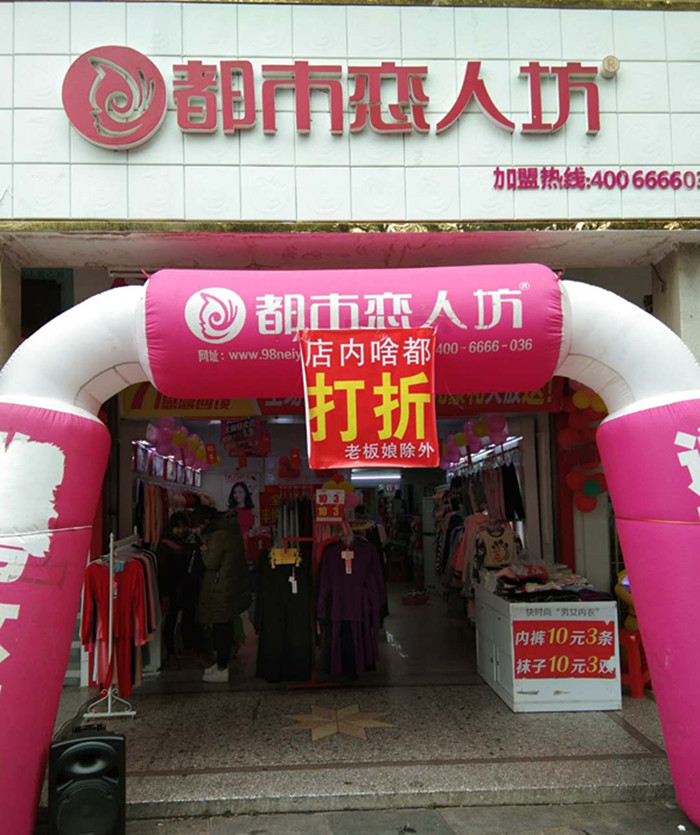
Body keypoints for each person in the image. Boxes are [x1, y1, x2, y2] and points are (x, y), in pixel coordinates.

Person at [193, 504, 251, 683]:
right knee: (224, 625)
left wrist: (204, 549)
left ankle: (222, 667)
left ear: (206, 521)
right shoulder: (229, 530)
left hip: (221, 588)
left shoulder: (218, 535)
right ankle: (221, 663)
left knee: (221, 628)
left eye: (199, 525)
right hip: (229, 585)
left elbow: (211, 562)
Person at [156, 511, 194, 669]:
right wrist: (164, 593)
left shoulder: (180, 543)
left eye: (183, 527)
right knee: (170, 621)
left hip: (180, 588)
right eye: (178, 527)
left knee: (175, 620)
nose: (181, 530)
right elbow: (163, 572)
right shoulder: (165, 546)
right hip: (170, 590)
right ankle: (170, 653)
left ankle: (174, 651)